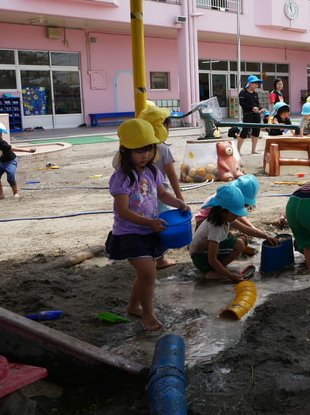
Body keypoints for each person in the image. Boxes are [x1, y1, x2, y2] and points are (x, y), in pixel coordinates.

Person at [105, 119, 189, 331]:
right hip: (129, 232)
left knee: (146, 272)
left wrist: (178, 202)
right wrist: (149, 222)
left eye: (149, 149)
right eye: (139, 150)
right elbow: (123, 211)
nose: (145, 155)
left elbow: (161, 193)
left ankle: (134, 306)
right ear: (125, 150)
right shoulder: (121, 177)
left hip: (150, 230)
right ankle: (148, 314)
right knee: (149, 273)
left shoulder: (152, 171)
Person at [190, 185, 274, 281]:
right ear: (223, 211)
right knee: (239, 244)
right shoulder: (216, 227)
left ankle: (218, 268)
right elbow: (212, 259)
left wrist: (266, 236)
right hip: (200, 257)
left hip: (206, 251)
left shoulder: (224, 218)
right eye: (235, 213)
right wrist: (231, 276)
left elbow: (247, 230)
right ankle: (210, 271)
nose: (237, 215)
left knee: (241, 241)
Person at [194, 174, 278, 254]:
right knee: (238, 242)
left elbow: (240, 221)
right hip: (206, 223)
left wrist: (255, 230)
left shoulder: (230, 203)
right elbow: (221, 227)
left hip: (217, 224)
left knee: (240, 238)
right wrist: (234, 240)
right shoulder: (223, 206)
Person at [137, 102, 184, 213]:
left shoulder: (136, 150)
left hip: (140, 195)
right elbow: (171, 174)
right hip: (161, 195)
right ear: (163, 127)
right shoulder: (163, 149)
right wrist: (179, 196)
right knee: (161, 223)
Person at [0, 122, 35, 199]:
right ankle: (1, 195)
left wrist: (28, 150)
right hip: (2, 162)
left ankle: (16, 192)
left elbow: (14, 148)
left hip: (10, 161)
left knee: (10, 176)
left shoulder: (2, 143)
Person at [238, 75, 266, 155]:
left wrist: (261, 109)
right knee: (245, 131)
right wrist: (251, 108)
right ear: (250, 83)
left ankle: (253, 149)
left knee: (256, 131)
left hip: (256, 115)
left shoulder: (255, 94)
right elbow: (242, 103)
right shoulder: (243, 93)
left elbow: (257, 104)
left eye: (257, 84)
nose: (256, 86)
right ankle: (238, 149)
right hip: (247, 114)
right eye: (255, 84)